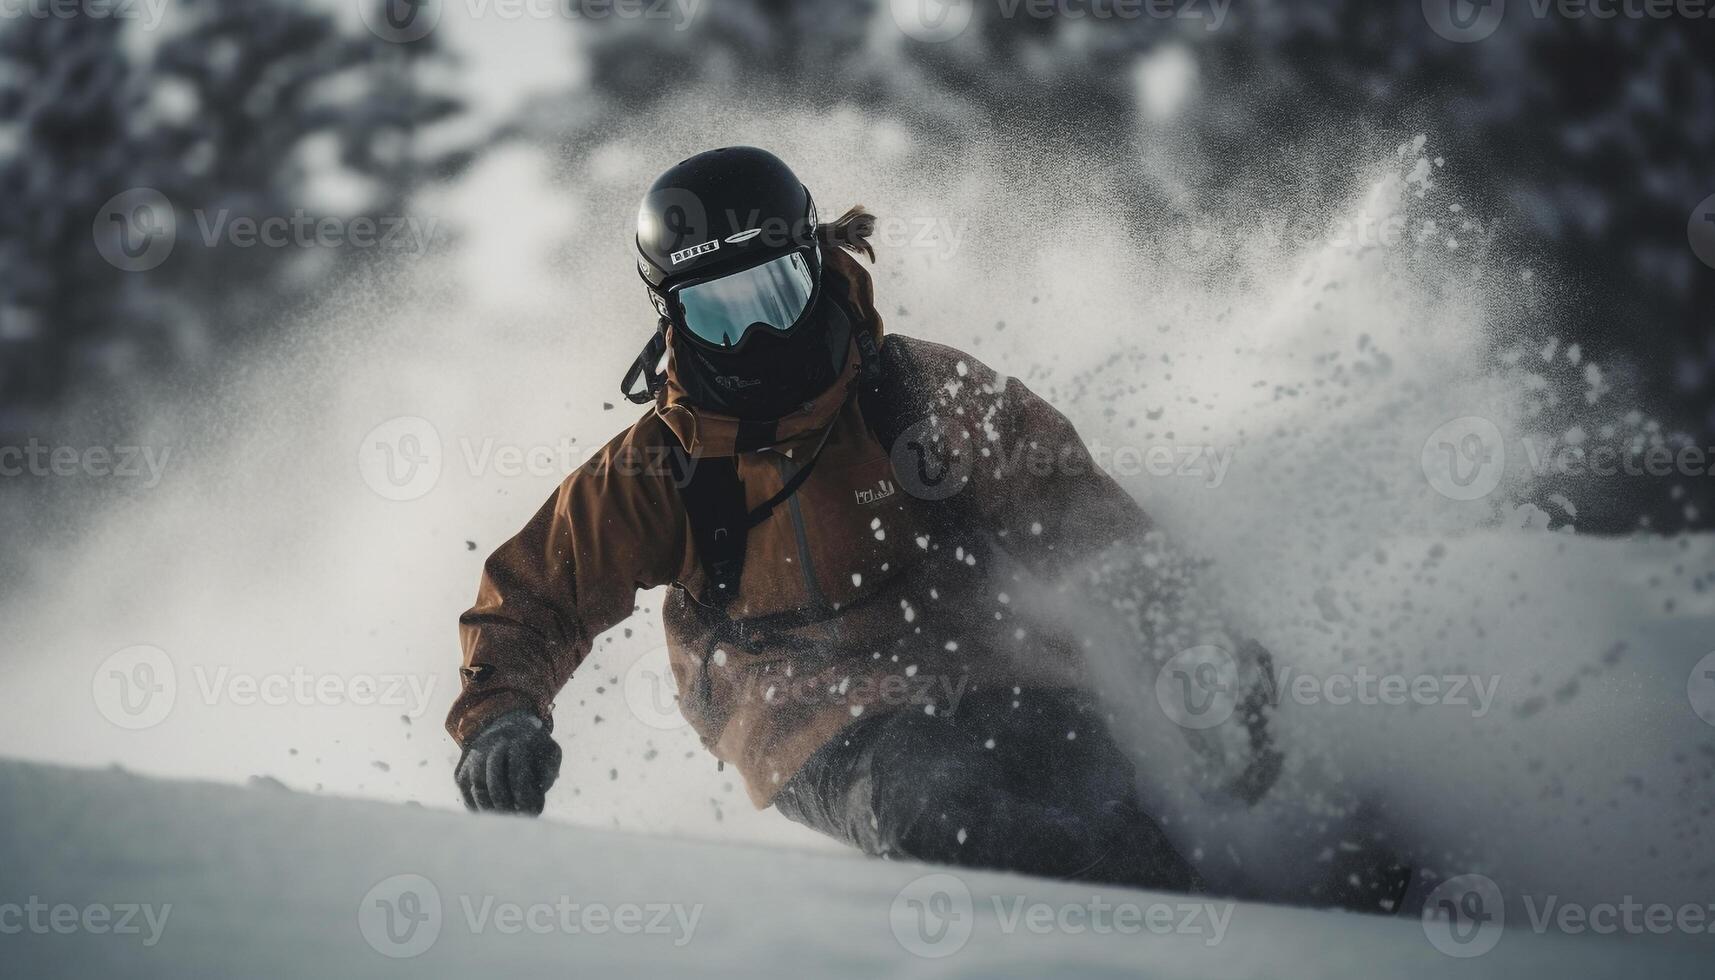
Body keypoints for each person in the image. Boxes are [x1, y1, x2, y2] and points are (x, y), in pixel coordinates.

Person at [447, 146, 1278, 893]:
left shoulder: (921, 396)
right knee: (942, 802)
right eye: (718, 316)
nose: (758, 337)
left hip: (996, 665)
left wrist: (1194, 643)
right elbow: (534, 596)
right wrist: (503, 717)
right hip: (800, 710)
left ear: (816, 262)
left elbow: (1084, 525)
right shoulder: (664, 464)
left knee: (1097, 802)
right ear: (671, 317)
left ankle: (1248, 918)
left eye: (776, 293)